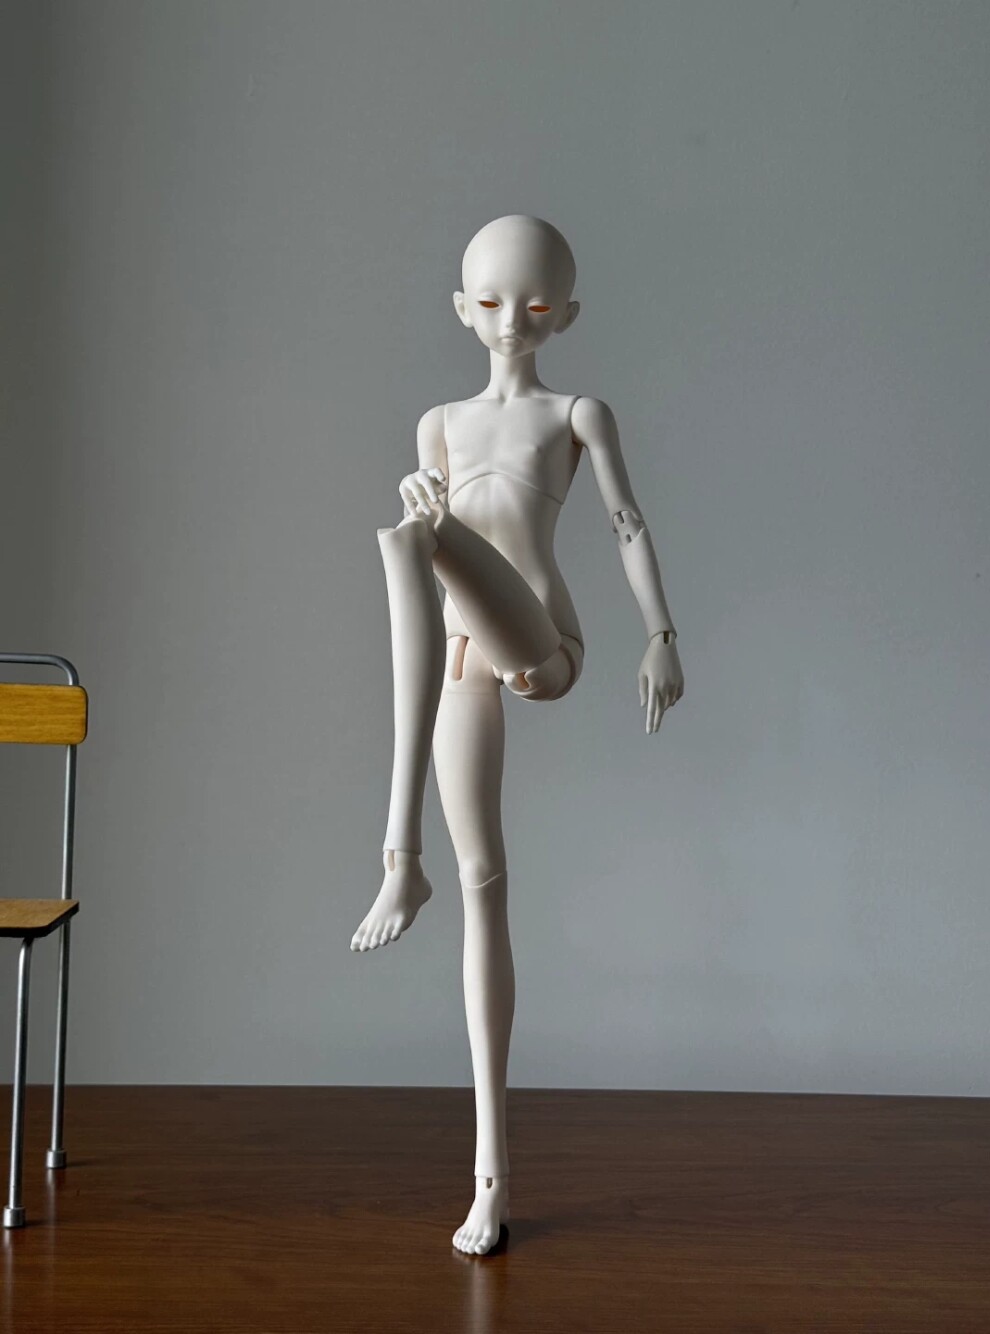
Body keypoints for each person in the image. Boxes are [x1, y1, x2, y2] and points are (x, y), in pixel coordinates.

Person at [350, 215, 684, 1255]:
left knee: (414, 538)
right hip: (461, 662)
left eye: (535, 306)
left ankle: (392, 853)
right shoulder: (440, 423)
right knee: (483, 885)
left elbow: (626, 522)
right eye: (492, 303)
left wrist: (660, 634)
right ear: (462, 308)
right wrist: (426, 501)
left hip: (542, 648)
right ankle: (488, 1178)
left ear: (565, 315)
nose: (511, 323)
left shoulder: (575, 414)